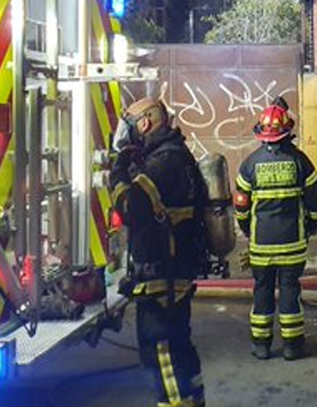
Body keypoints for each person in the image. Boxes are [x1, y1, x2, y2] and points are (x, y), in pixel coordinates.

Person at [111, 97, 208, 407]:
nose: (127, 134)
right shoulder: (174, 155)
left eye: (130, 126)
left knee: (161, 350)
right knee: (178, 346)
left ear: (145, 122)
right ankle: (193, 400)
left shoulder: (163, 162)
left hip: (162, 274)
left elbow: (130, 207)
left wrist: (117, 174)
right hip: (171, 269)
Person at [233, 102, 317, 361]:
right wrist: (313, 224)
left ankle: (261, 346)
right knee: (290, 291)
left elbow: (241, 206)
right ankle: (292, 347)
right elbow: (314, 200)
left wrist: (246, 230)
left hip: (261, 245)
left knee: (261, 291)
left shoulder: (249, 165)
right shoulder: (300, 161)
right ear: (287, 131)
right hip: (292, 244)